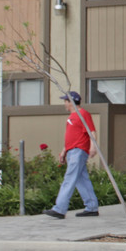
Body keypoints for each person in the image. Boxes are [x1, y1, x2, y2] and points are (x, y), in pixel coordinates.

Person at [43, 91, 100, 219]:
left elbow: (92, 131)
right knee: (81, 179)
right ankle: (91, 207)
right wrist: (64, 151)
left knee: (69, 179)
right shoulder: (71, 116)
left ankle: (60, 209)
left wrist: (93, 147)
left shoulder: (83, 114)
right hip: (71, 151)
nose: (64, 103)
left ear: (71, 102)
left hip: (78, 151)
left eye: (66, 101)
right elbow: (71, 137)